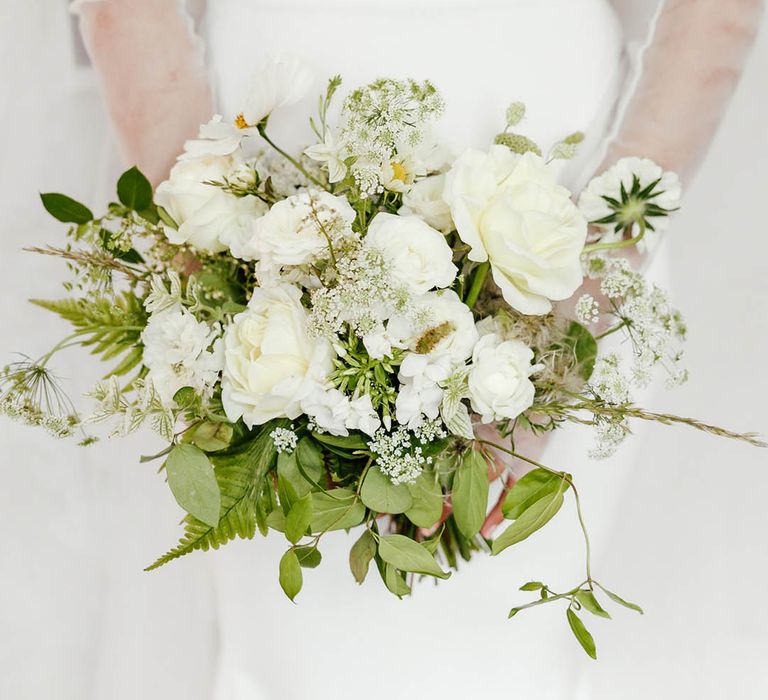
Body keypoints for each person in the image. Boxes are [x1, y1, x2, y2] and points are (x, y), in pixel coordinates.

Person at [2, 1, 762, 698]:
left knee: (461, 648)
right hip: (271, 194)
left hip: (555, 211)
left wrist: (569, 312)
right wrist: (230, 268)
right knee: (330, 657)